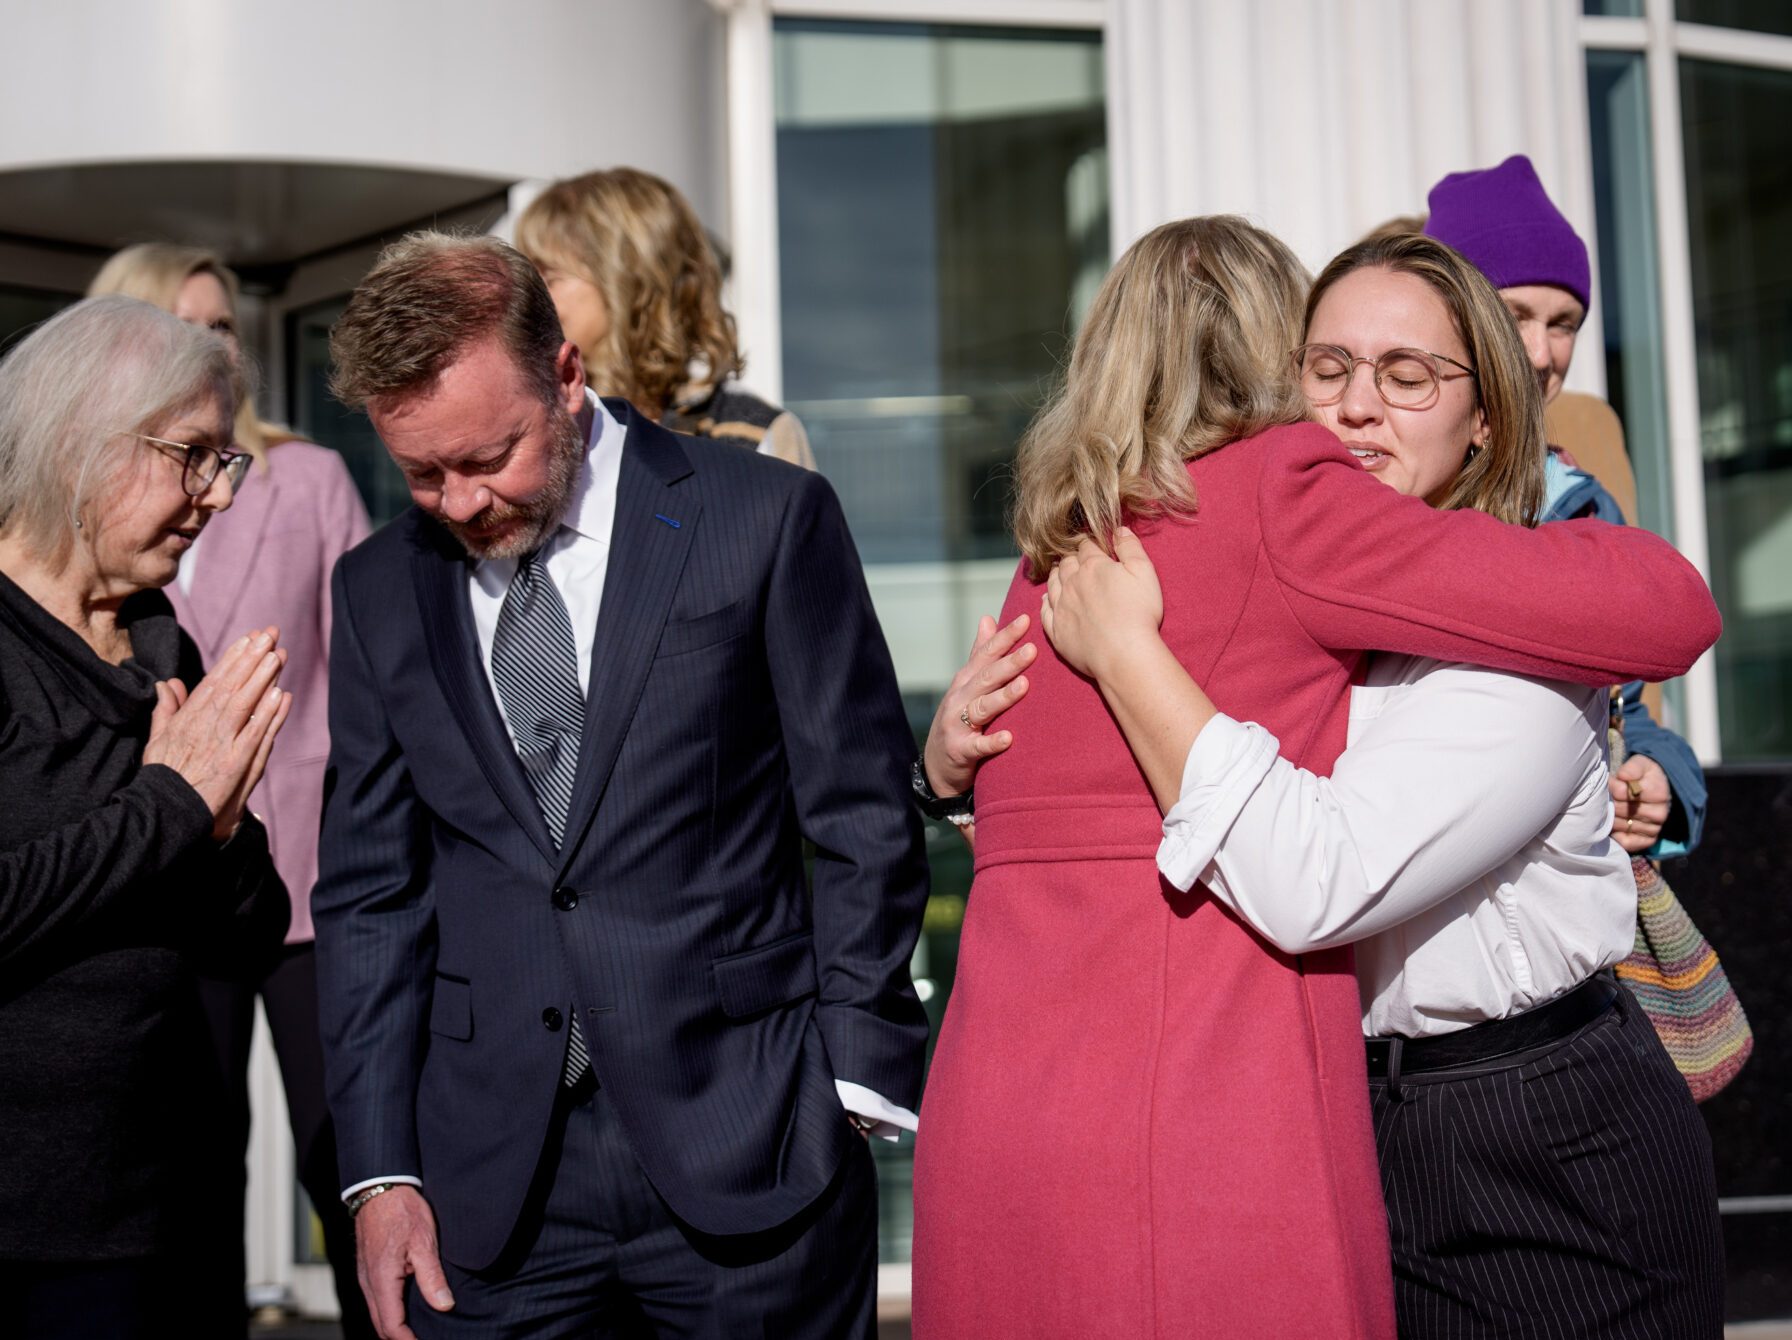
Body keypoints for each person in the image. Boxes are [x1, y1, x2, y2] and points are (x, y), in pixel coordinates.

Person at [906, 217, 1720, 1340]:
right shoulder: (1184, 540)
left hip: (1532, 1122)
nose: (1352, 406)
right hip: (1333, 1101)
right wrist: (947, 770)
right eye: (1325, 368)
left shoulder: (1096, 542)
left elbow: (1318, 873)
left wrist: (1127, 661)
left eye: (1407, 374)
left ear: (1487, 418)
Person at [312, 232, 927, 1339]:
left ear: (566, 374)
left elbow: (860, 810)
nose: (455, 503)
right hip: (483, 1186)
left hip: (753, 1142)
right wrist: (377, 1170)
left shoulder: (762, 519)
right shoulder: (376, 590)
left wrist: (853, 1078)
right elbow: (370, 893)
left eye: (486, 456)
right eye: (419, 473)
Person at [87, 242, 375, 1339]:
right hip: (165, 881)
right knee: (195, 1167)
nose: (219, 344)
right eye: (189, 322)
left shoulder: (306, 476)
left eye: (224, 324)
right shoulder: (87, 508)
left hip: (305, 870)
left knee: (345, 1150)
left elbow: (364, 680)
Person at [0, 296, 291, 1338]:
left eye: (228, 462)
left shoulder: (163, 641)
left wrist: (221, 835)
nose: (216, 496)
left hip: (160, 1208)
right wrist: (170, 806)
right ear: (82, 441)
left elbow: (249, 930)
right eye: (193, 456)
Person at [1423, 152, 1707, 860]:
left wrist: (1660, 778)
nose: (1544, 353)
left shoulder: (1585, 506)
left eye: (1566, 322)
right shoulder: (1388, 484)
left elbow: (1627, 709)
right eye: (1515, 314)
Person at [515, 166, 816, 468]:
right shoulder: (533, 418)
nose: (531, 294)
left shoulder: (749, 436)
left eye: (550, 277)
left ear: (630, 283)